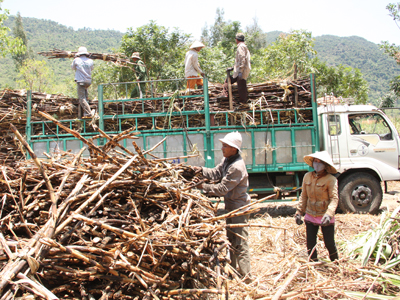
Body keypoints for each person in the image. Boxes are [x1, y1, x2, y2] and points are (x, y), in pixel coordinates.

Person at [193, 131, 252, 281]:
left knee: (240, 241)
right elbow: (215, 173)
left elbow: (222, 189)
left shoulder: (236, 167)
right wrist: (201, 170)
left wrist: (202, 187)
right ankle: (232, 270)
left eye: (225, 146)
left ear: (234, 148)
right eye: (223, 145)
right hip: (230, 206)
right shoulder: (227, 160)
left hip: (239, 208)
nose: (222, 148)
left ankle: (247, 276)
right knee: (231, 239)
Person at [294, 151, 339, 262]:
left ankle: (336, 263)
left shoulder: (331, 180)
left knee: (329, 243)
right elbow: (303, 196)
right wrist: (299, 212)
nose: (317, 164)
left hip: (324, 215)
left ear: (325, 165)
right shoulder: (307, 177)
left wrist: (329, 214)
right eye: (315, 161)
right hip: (310, 214)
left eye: (320, 162)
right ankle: (313, 263)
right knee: (310, 243)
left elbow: (334, 199)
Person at [222, 33, 251, 103]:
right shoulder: (244, 46)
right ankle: (225, 94)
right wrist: (233, 68)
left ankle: (243, 102)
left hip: (241, 71)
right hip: (240, 70)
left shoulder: (241, 47)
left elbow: (242, 58)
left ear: (237, 40)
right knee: (228, 80)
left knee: (241, 86)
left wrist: (240, 71)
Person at [71, 46, 94, 118]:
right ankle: (86, 112)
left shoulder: (76, 60)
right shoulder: (90, 61)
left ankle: (88, 113)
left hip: (80, 81)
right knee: (85, 97)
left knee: (81, 98)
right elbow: (92, 69)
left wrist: (75, 58)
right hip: (88, 81)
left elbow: (73, 67)